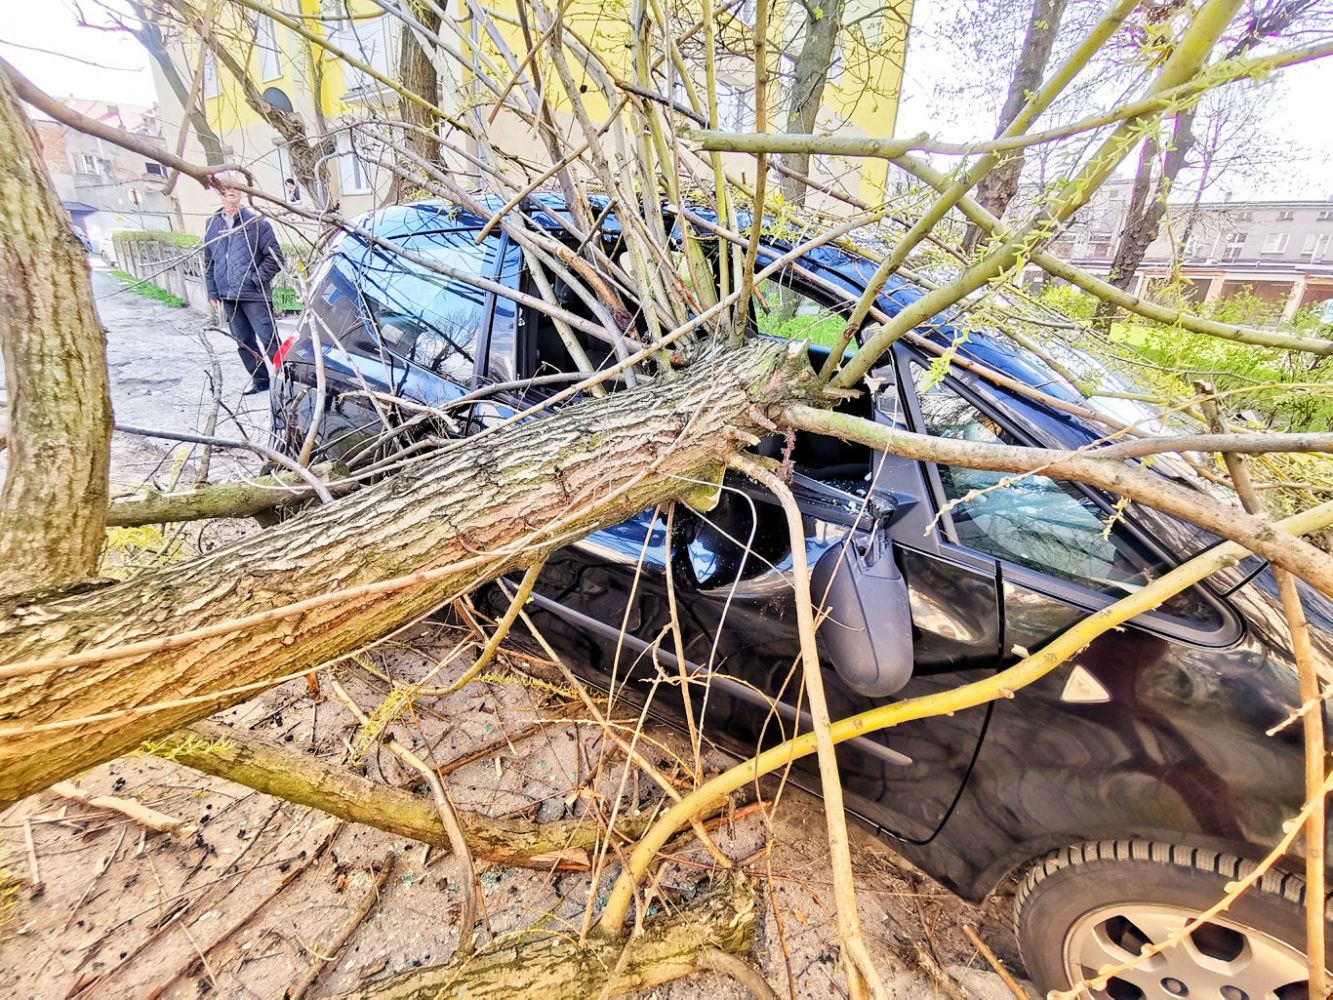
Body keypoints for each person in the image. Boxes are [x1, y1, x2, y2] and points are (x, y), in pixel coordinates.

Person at [203, 174, 286, 395]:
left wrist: (254, 279)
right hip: (228, 295)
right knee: (244, 341)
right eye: (224, 191)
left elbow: (275, 258)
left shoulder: (257, 224)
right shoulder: (212, 224)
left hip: (254, 295)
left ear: (241, 193)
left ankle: (287, 378)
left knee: (269, 338)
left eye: (234, 190)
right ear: (218, 193)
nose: (230, 195)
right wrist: (212, 290)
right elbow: (209, 260)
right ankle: (261, 380)